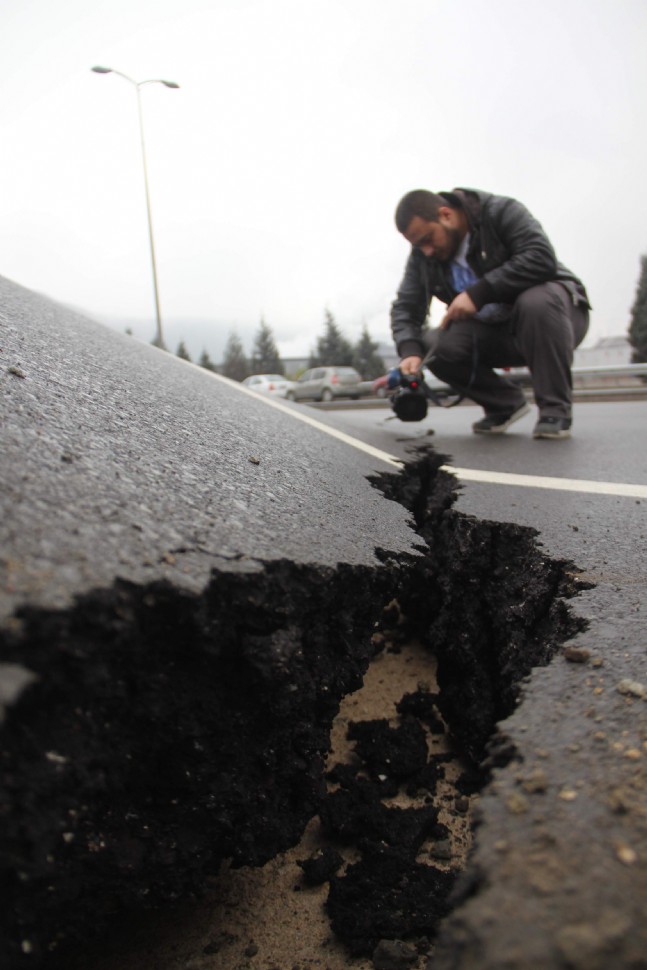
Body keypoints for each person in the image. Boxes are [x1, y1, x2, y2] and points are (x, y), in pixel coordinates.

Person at [390, 188, 590, 438]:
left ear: (446, 215)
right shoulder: (423, 255)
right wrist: (409, 350)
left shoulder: (499, 212)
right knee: (434, 342)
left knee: (535, 301)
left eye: (428, 239)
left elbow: (540, 256)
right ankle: (504, 404)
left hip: (556, 318)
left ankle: (554, 410)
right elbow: (406, 305)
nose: (427, 250)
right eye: (418, 245)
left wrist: (478, 294)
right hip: (497, 332)